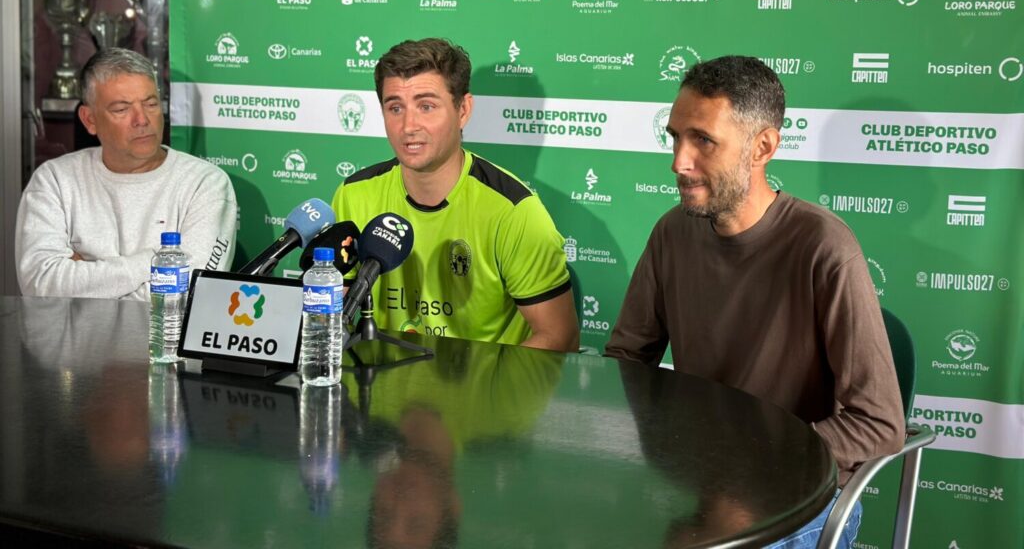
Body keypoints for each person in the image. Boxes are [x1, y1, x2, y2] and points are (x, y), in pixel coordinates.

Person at [605, 56, 904, 549]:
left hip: (795, 491)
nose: (679, 161)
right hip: (697, 479)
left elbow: (878, 423)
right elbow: (626, 361)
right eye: (675, 137)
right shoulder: (672, 232)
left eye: (703, 140)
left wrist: (750, 458)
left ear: (762, 146)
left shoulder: (824, 246)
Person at [331, 38, 578, 351]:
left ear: (463, 110)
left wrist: (481, 396)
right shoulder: (353, 195)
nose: (408, 126)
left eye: (426, 106)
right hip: (378, 388)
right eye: (395, 108)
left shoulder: (513, 211)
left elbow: (560, 337)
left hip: (482, 394)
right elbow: (331, 314)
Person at [16, 48, 237, 299]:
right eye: (122, 109)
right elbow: (40, 284)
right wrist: (155, 261)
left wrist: (84, 271)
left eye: (151, 104)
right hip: (71, 340)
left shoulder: (205, 184)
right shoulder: (53, 181)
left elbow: (188, 294)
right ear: (89, 120)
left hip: (162, 339)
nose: (142, 120)